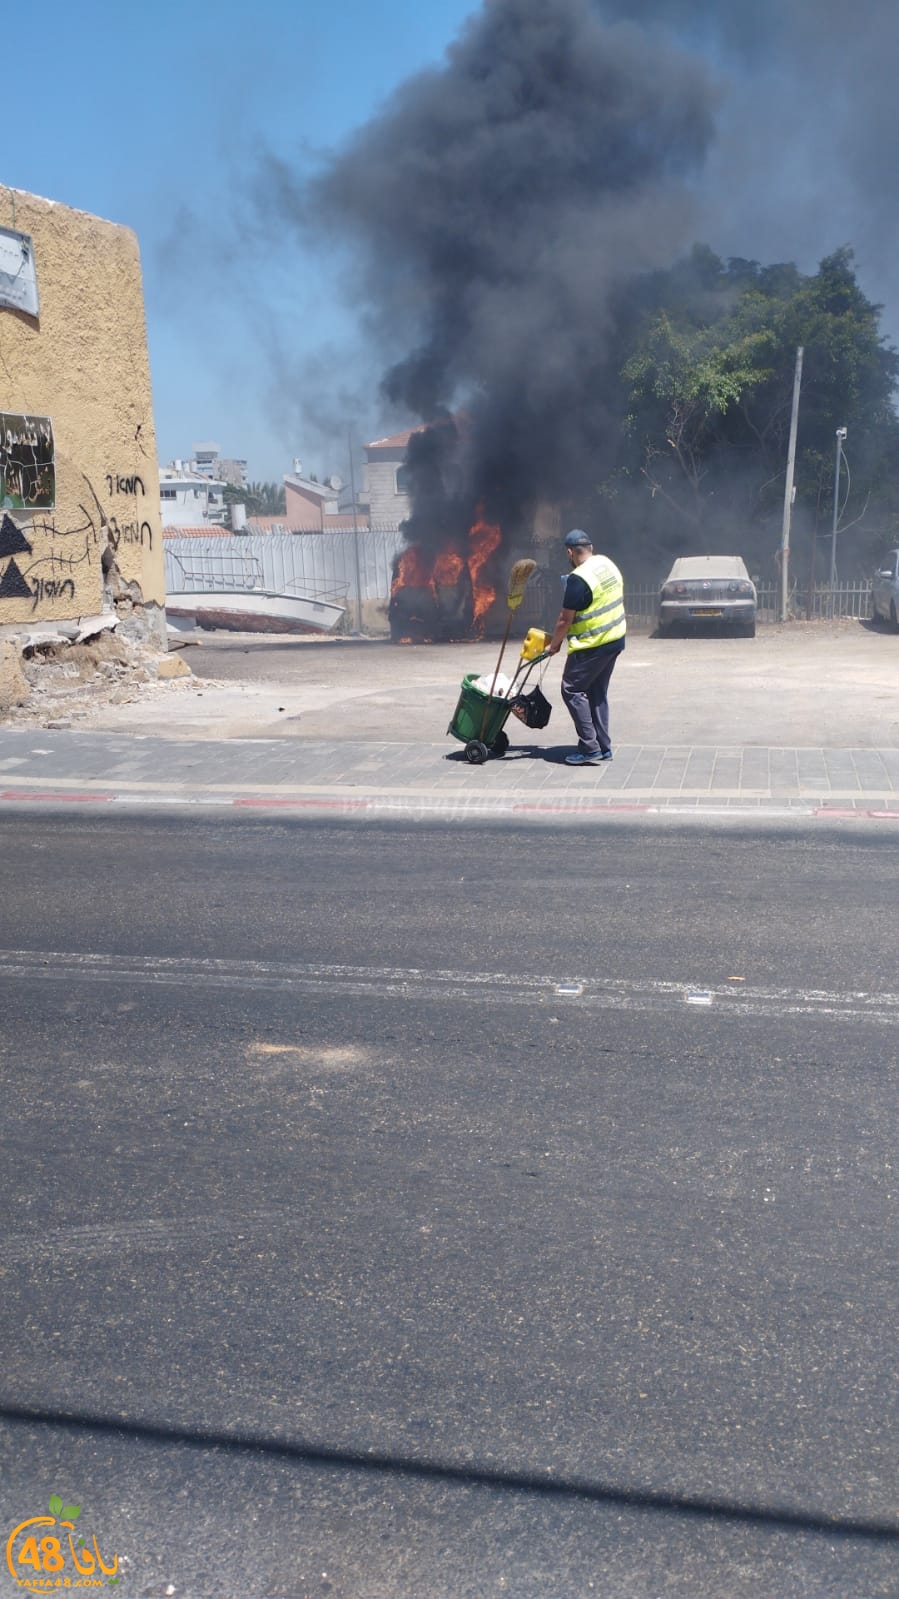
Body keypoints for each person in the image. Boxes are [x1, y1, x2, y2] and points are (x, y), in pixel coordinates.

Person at [547, 529, 626, 765]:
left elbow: (564, 620)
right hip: (615, 639)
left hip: (592, 644)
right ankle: (604, 747)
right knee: (596, 692)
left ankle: (589, 748)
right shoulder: (606, 564)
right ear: (591, 547)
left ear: (570, 552)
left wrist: (554, 645)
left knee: (571, 689)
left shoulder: (578, 579)